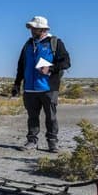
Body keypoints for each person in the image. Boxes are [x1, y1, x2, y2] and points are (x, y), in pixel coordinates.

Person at [11, 16, 71, 152]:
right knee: (32, 117)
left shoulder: (55, 42)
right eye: (31, 28)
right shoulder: (28, 44)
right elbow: (21, 66)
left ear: (43, 29)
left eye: (35, 28)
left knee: (51, 117)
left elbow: (66, 62)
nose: (32, 30)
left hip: (48, 88)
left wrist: (50, 68)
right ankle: (32, 141)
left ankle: (52, 142)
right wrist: (16, 84)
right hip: (29, 89)